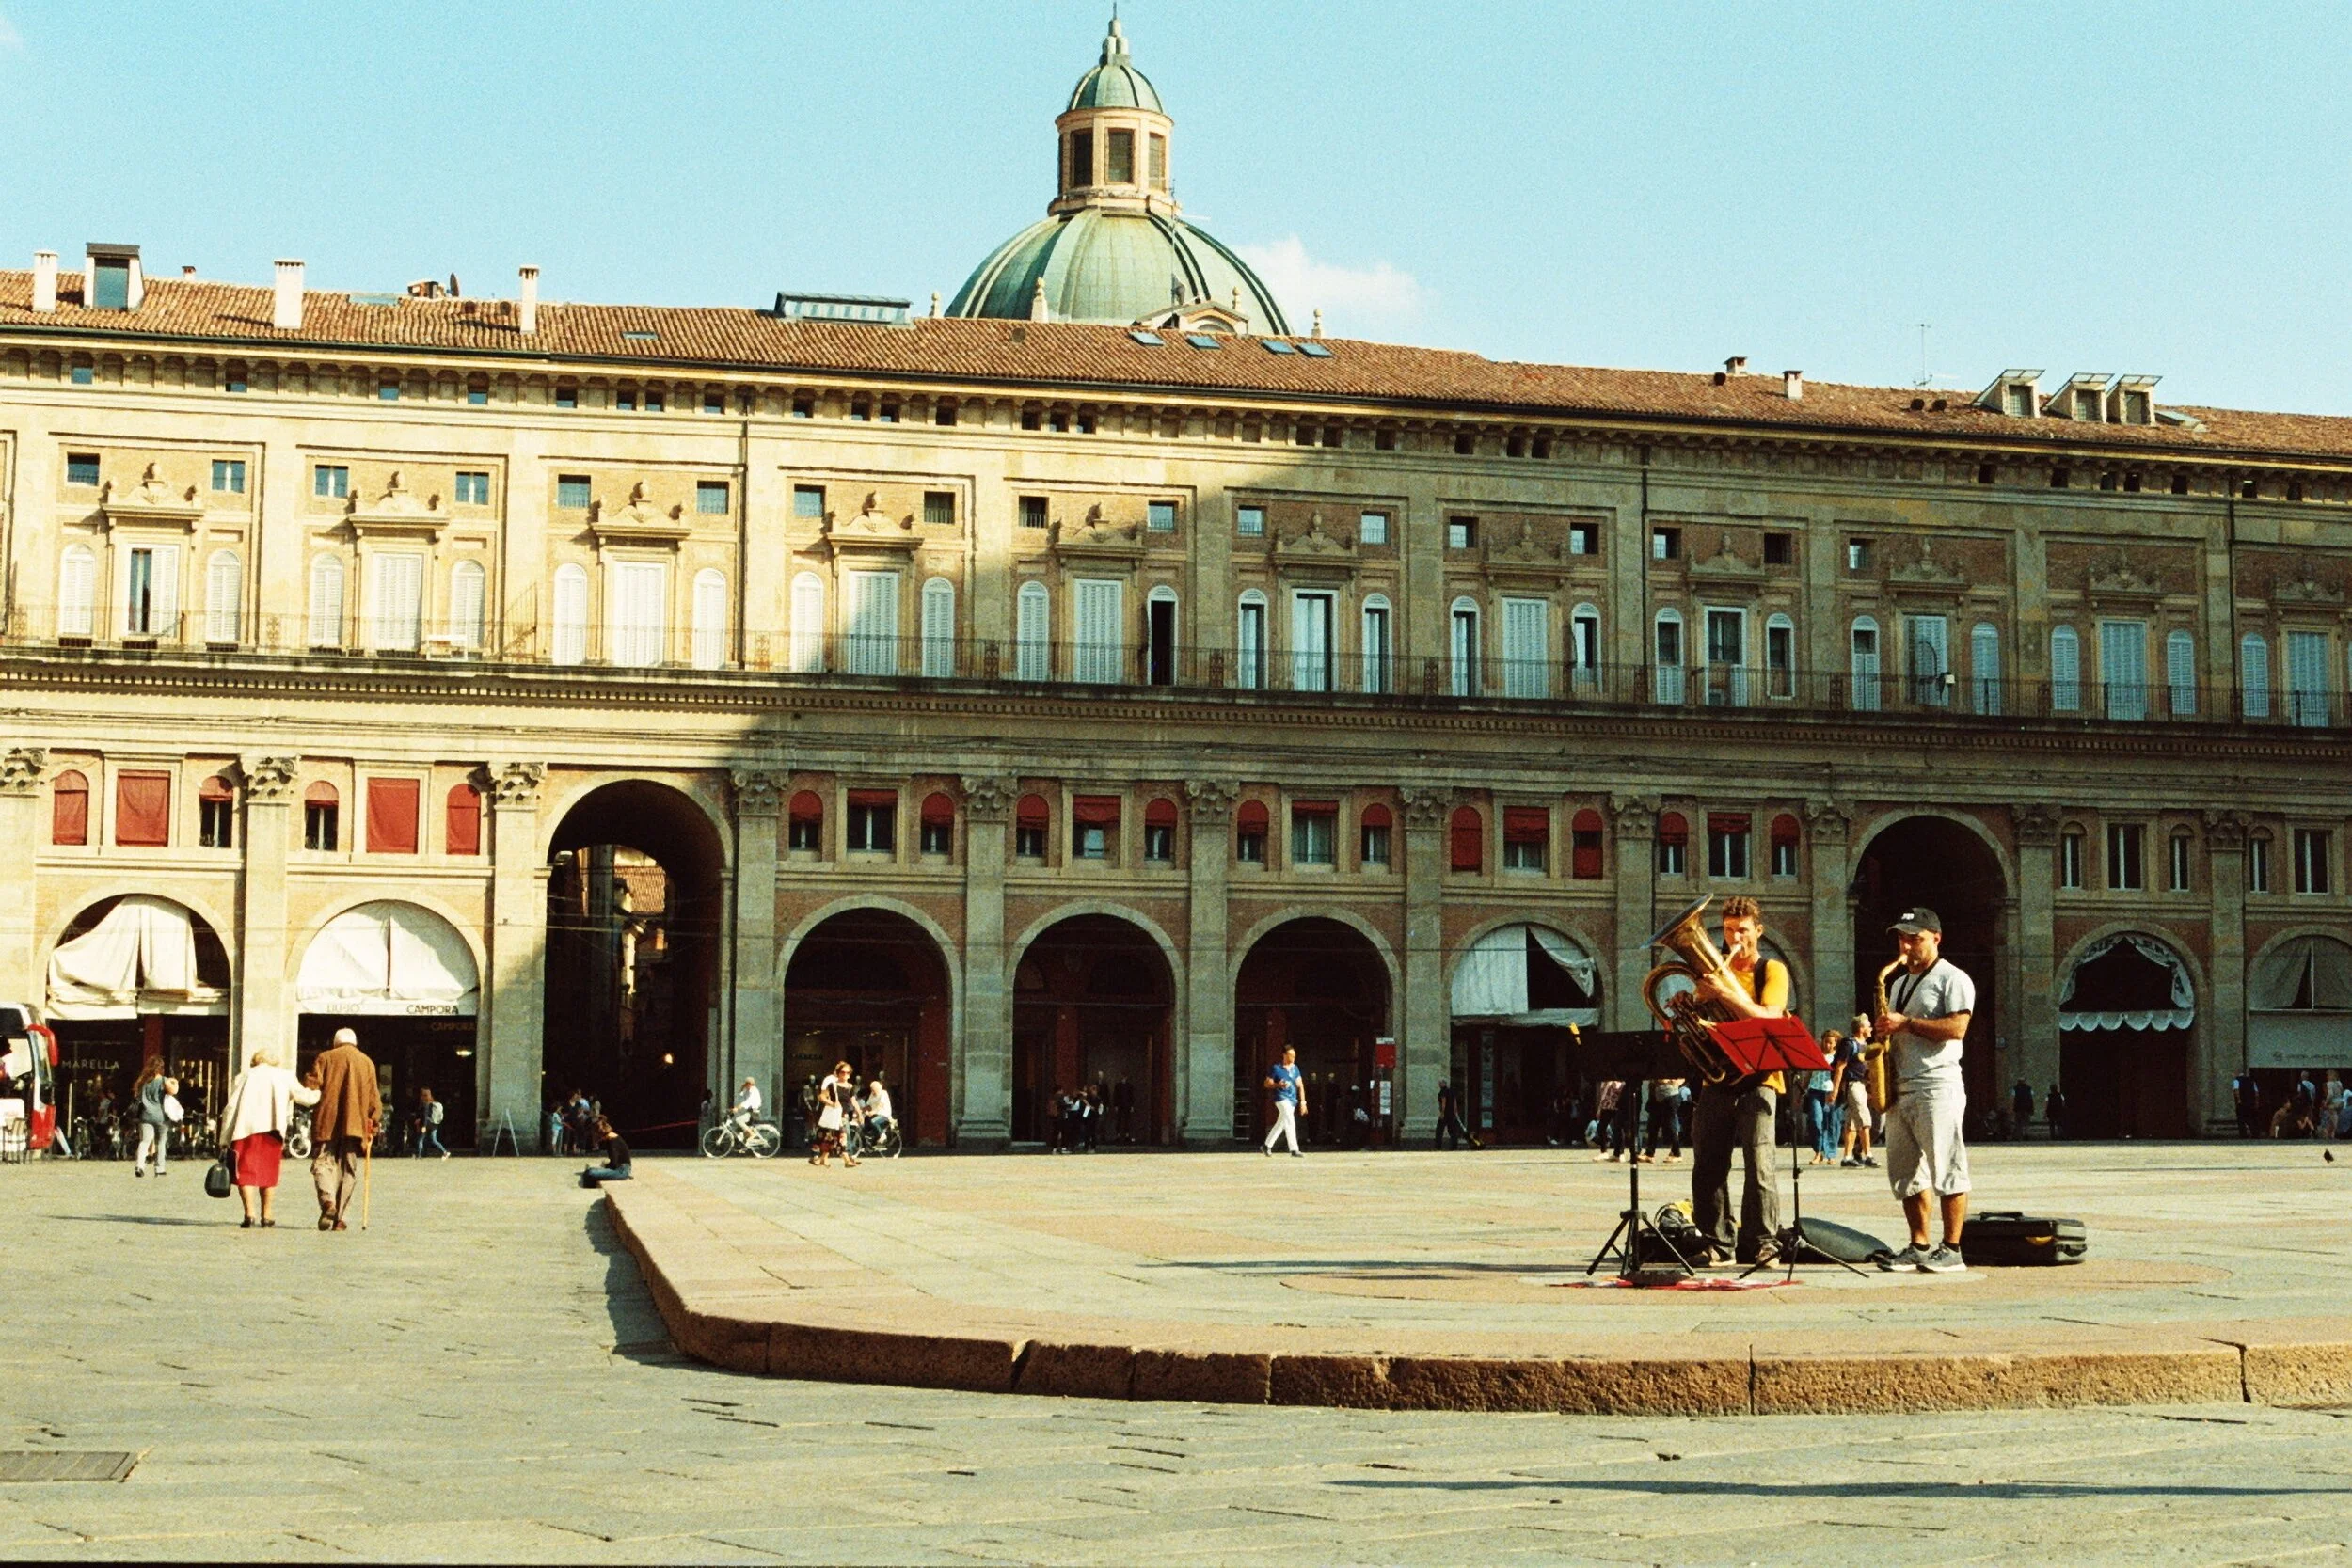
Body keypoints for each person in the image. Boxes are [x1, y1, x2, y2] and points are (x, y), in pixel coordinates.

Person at [1687, 896, 1789, 1264]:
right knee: (1708, 1164)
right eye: (1729, 930)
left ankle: (1763, 1241)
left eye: (1742, 930)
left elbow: (1770, 1017)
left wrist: (1724, 994)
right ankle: (1717, 1241)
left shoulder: (1771, 970)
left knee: (1759, 1163)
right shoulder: (1710, 973)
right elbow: (1694, 1031)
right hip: (1717, 1077)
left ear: (1758, 931)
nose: (1734, 939)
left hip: (1761, 1077)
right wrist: (1690, 1005)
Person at [1873, 908, 1976, 1274]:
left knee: (1946, 1166)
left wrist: (1907, 1023)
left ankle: (1952, 1248)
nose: (1906, 945)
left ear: (1936, 938)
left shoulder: (1953, 978)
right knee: (1905, 1173)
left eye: (1914, 938)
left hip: (1937, 1085)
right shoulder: (1898, 983)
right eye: (1902, 938)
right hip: (1901, 1085)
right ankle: (1919, 1244)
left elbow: (1957, 1027)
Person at [219, 1048, 320, 1229]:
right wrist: (319, 1092)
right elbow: (305, 1098)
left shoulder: (244, 1076)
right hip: (272, 1129)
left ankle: (249, 1213)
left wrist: (224, 1138)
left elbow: (231, 1107)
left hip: (245, 1129)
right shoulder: (285, 1075)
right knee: (268, 1171)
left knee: (245, 1172)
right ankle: (267, 1214)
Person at [306, 1027, 382, 1231]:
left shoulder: (325, 1058)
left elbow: (313, 1087)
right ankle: (340, 1219)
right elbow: (374, 1098)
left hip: (326, 1122)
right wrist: (372, 1125)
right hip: (355, 1124)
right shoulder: (367, 1062)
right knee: (349, 1168)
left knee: (322, 1162)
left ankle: (328, 1202)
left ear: (335, 1042)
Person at [1836, 1024, 1877, 1167]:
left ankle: (1847, 1156)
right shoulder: (1850, 1044)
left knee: (1852, 1122)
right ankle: (1868, 1155)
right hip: (1852, 1084)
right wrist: (1835, 1090)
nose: (1871, 1029)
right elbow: (1840, 1067)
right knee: (1864, 1119)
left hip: (1861, 1085)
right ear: (1861, 1028)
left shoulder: (1865, 1045)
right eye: (1869, 1026)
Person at [810, 1061, 858, 1167]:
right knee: (841, 1136)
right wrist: (832, 1104)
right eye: (842, 1072)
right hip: (834, 1115)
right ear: (838, 1073)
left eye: (847, 1073)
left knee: (833, 1138)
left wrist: (859, 1112)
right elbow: (822, 1096)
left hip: (843, 1115)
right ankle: (846, 1160)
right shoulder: (833, 1085)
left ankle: (822, 1159)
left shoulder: (850, 1087)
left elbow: (853, 1100)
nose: (845, 1075)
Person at [132, 1061, 175, 1179]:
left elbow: (137, 1095)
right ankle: (159, 1168)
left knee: (144, 1141)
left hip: (145, 1116)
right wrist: (175, 1082)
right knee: (160, 1142)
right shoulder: (163, 1080)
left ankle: (139, 1166)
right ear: (160, 1068)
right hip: (161, 1116)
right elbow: (173, 1091)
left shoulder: (143, 1082)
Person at [1263, 1046, 1306, 1157]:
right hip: (1281, 1098)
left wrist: (1303, 1102)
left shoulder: (1295, 1068)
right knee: (1290, 1121)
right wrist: (1278, 1084)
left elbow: (1300, 1085)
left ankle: (1267, 1145)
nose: (1293, 1058)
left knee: (1281, 1123)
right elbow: (1267, 1083)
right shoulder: (1276, 1068)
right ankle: (1294, 1149)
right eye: (1291, 1055)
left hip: (1292, 1099)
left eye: (1294, 1056)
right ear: (1285, 1055)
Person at [1809, 1033, 1845, 1164]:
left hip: (1830, 1091)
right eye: (1825, 1042)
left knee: (1832, 1123)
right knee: (1815, 1120)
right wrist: (1802, 1090)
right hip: (1815, 1090)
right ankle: (1818, 1152)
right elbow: (1810, 1073)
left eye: (1830, 1042)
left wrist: (1837, 1091)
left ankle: (1830, 1153)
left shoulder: (1838, 1058)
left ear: (1836, 1044)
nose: (1827, 1045)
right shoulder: (1817, 1056)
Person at [580, 1117, 632, 1187]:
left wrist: (605, 1167)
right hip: (622, 1168)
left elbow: (614, 1163)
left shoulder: (611, 1141)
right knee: (590, 1170)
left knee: (590, 1172)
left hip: (621, 1171)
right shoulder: (615, 1138)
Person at [412, 1087, 449, 1160]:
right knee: (434, 1140)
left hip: (427, 1124)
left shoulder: (426, 1104)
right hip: (434, 1124)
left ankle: (419, 1155)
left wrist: (424, 1126)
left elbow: (425, 1116)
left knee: (421, 1139)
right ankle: (445, 1152)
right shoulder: (432, 1102)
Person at [1436, 1077, 1467, 1150]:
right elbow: (1455, 1102)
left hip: (1445, 1114)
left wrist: (1442, 1113)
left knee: (1439, 1130)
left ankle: (1438, 1146)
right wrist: (1455, 1112)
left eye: (1440, 1083)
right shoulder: (1451, 1091)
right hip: (1452, 1114)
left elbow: (1444, 1102)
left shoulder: (1442, 1092)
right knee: (1452, 1131)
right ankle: (1454, 1146)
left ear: (1443, 1084)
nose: (1439, 1084)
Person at [862, 1079, 895, 1148]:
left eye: (873, 1089)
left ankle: (882, 1135)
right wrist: (861, 1110)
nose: (872, 1091)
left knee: (874, 1122)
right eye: (871, 1089)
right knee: (865, 1125)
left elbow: (880, 1105)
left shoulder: (883, 1093)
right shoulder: (872, 1094)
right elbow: (868, 1105)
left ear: (878, 1088)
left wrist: (873, 1111)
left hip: (884, 1114)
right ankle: (871, 1143)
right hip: (874, 1114)